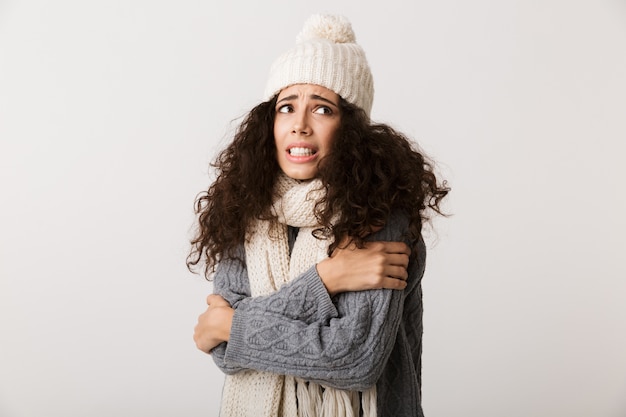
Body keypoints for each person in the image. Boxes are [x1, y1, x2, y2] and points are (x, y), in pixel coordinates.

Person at [188, 14, 449, 417]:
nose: (300, 126)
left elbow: (354, 360)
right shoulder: (243, 211)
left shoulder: (380, 216)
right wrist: (327, 279)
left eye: (323, 110)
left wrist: (231, 325)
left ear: (351, 128)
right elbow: (228, 357)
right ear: (269, 123)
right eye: (286, 107)